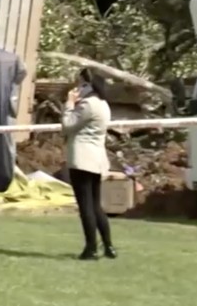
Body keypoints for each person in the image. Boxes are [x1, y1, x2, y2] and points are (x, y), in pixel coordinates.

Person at [61, 67, 117, 261]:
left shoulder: (87, 104)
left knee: (86, 206)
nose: (77, 88)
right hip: (97, 159)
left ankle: (91, 248)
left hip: (82, 159)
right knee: (95, 205)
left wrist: (69, 104)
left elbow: (67, 125)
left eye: (80, 83)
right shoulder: (104, 104)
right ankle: (108, 246)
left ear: (87, 84)